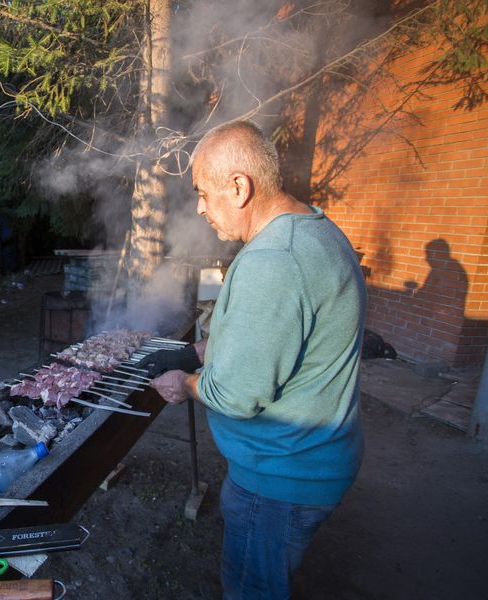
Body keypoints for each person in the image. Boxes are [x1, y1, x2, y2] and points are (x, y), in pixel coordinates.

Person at [137, 120, 366, 599]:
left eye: (202, 193)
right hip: (312, 464)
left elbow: (238, 395)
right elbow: (285, 337)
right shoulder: (314, 230)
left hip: (280, 479)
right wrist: (209, 348)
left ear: (239, 187)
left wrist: (186, 382)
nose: (199, 208)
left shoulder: (273, 261)